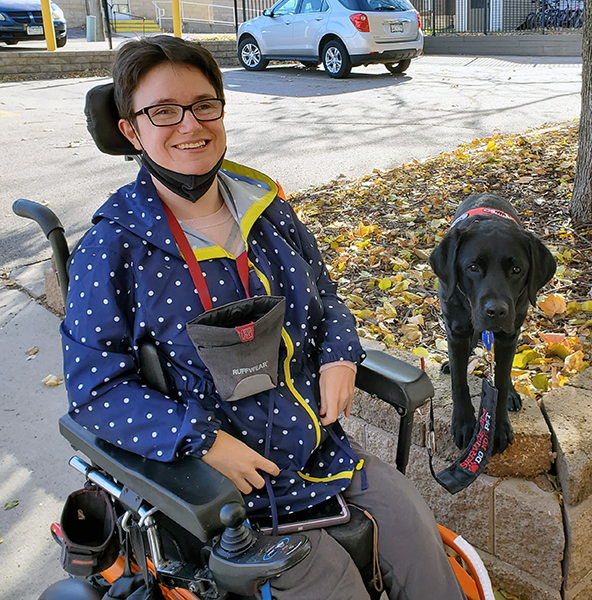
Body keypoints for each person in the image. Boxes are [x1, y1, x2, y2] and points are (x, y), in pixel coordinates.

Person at [61, 35, 465, 600]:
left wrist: (340, 352)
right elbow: (95, 391)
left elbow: (325, 295)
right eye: (163, 112)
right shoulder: (112, 249)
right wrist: (202, 442)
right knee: (332, 583)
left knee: (417, 535)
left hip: (324, 453)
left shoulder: (266, 206)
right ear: (131, 129)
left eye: (205, 105)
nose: (190, 125)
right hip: (223, 494)